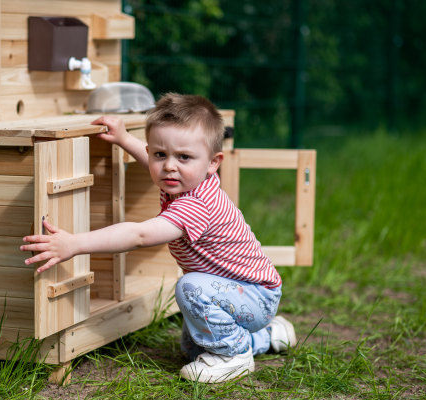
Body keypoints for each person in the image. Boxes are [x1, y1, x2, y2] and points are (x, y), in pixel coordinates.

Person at [20, 93, 296, 383]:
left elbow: (139, 234)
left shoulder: (196, 204)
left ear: (213, 163)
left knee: (190, 288)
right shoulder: (185, 180)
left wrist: (74, 244)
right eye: (160, 155)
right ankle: (267, 338)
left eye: (184, 157)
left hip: (255, 294)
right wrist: (125, 139)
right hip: (234, 291)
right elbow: (151, 155)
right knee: (193, 350)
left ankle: (233, 357)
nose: (169, 167)